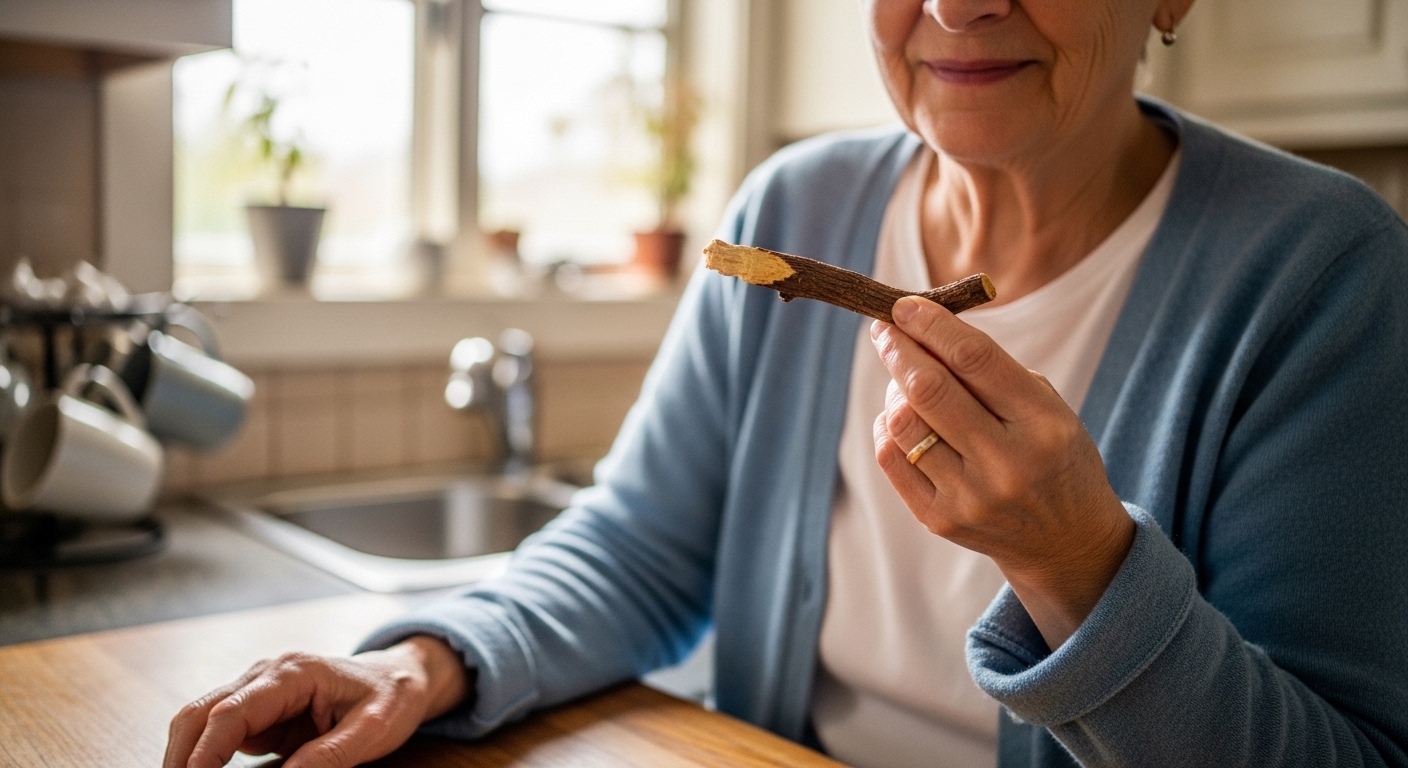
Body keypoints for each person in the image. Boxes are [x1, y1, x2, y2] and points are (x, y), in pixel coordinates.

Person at [165, 0, 1408, 766]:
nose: (956, 3)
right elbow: (644, 545)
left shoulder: (1319, 271)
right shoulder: (795, 206)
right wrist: (428, 663)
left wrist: (1078, 568)